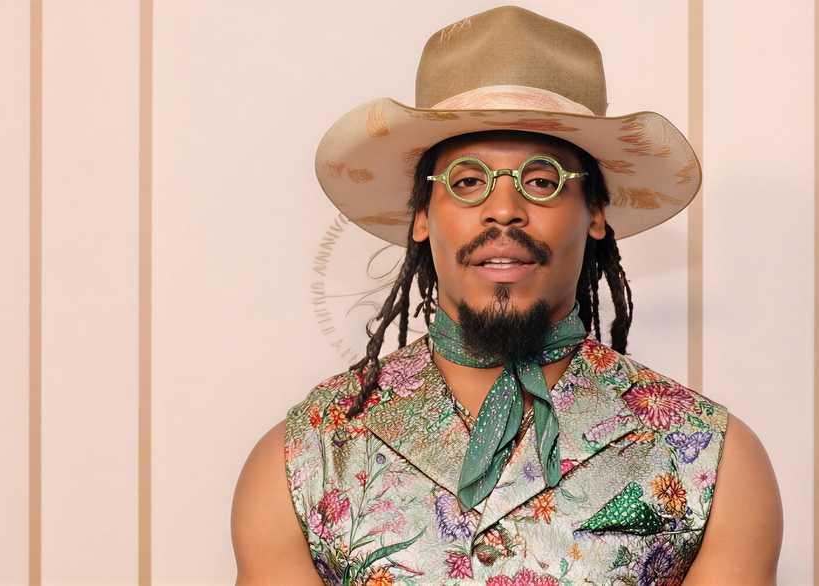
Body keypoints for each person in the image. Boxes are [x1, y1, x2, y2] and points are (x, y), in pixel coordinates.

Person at [232, 6, 782, 585]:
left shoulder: (714, 463)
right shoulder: (301, 461)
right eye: (467, 181)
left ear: (595, 211)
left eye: (541, 180)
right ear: (421, 214)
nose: (503, 209)